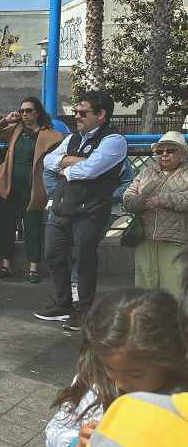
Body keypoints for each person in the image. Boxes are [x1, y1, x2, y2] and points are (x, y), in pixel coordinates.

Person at [44, 287, 188, 447]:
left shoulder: (177, 406)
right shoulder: (93, 377)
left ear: (169, 359)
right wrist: (76, 446)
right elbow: (55, 429)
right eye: (110, 368)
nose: (120, 381)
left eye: (136, 373)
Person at [35, 91, 127, 329]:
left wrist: (66, 165)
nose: (76, 116)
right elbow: (47, 161)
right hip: (62, 209)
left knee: (84, 262)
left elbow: (91, 171)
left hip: (90, 212)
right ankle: (64, 303)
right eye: (76, 112)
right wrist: (72, 162)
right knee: (53, 256)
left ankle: (83, 310)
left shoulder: (114, 140)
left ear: (101, 114)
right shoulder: (74, 137)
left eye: (83, 112)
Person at [0, 97, 63, 283]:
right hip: (9, 185)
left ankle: (33, 268)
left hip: (33, 186)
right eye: (22, 111)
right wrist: (6, 120)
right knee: (6, 225)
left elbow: (58, 160)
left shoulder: (52, 136)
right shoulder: (15, 129)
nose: (25, 114)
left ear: (37, 112)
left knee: (34, 226)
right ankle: (6, 266)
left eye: (28, 111)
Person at [43, 158, 135, 308]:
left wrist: (108, 197)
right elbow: (48, 172)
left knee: (83, 254)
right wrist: (62, 195)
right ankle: (65, 300)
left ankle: (77, 298)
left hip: (99, 209)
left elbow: (127, 181)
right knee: (55, 254)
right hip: (62, 208)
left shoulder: (112, 150)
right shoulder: (68, 147)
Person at [122, 131, 188, 298]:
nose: (164, 155)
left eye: (170, 150)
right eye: (159, 151)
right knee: (144, 284)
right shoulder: (146, 172)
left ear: (182, 153)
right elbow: (127, 197)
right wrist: (143, 201)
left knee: (174, 286)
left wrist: (162, 200)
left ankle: (176, 322)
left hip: (175, 238)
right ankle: (146, 320)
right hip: (144, 237)